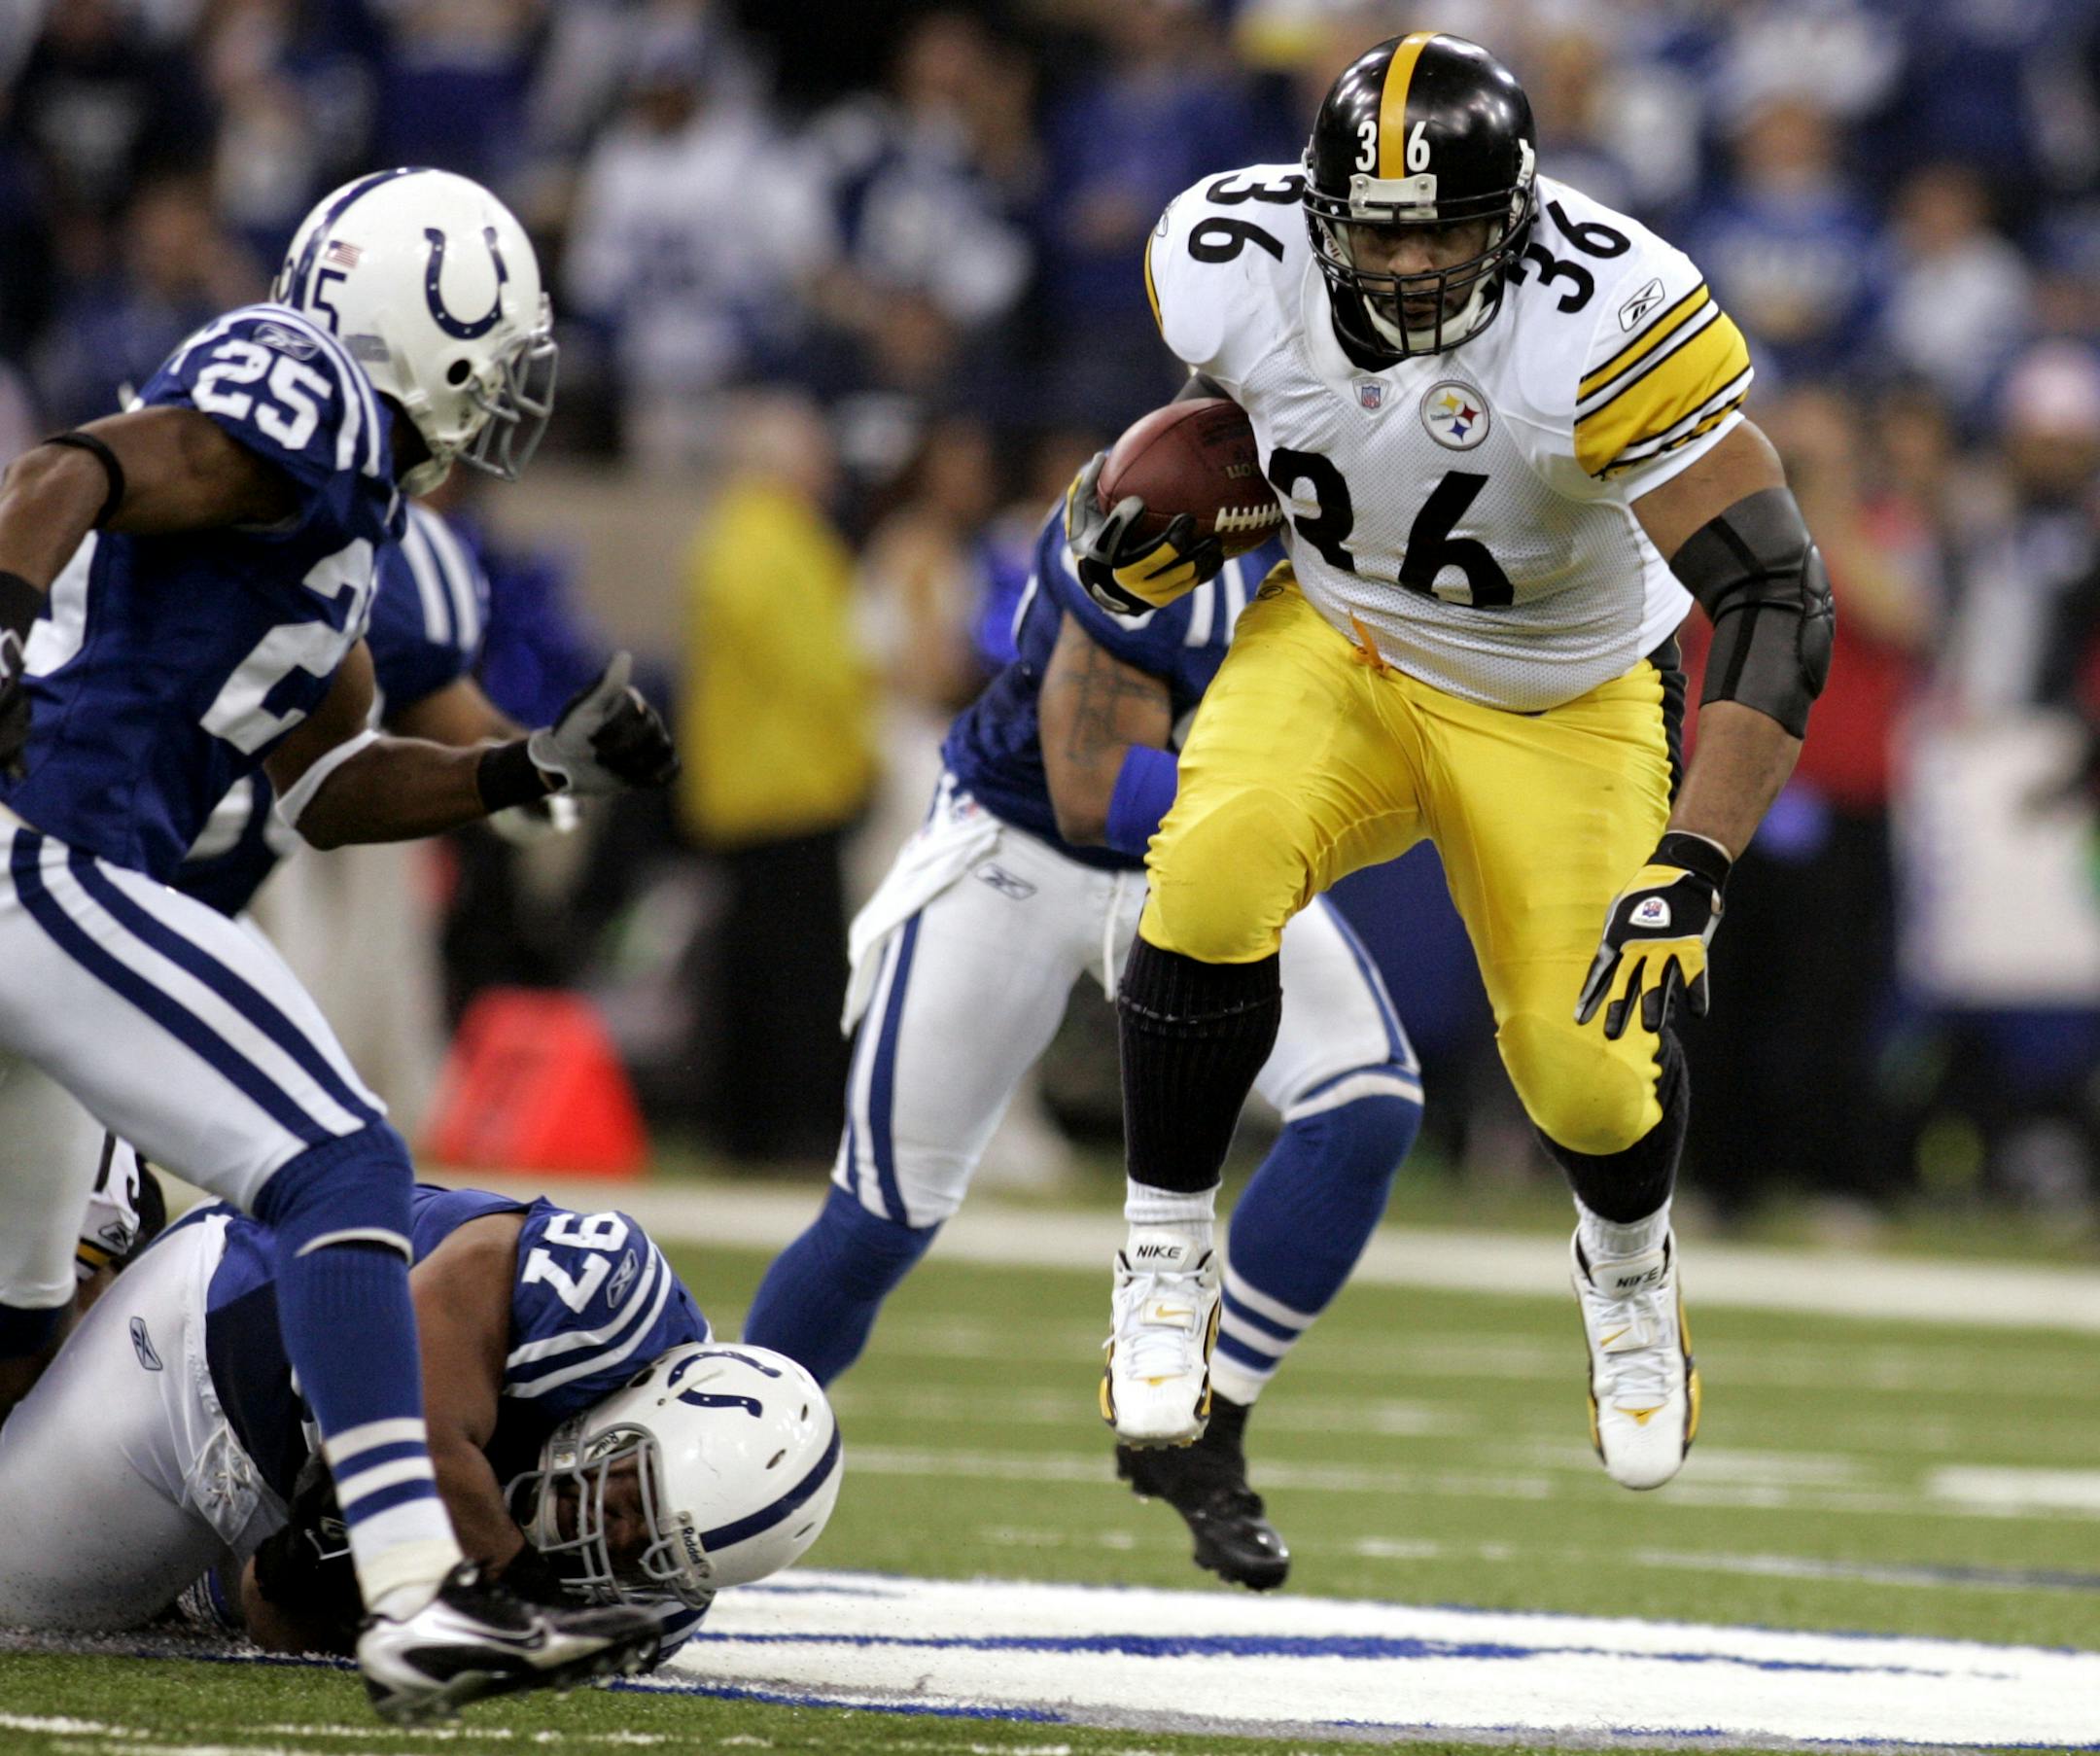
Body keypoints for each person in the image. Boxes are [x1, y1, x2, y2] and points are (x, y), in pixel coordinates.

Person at [1068, 34, 1830, 1491]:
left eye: (1452, 231)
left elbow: (1777, 593)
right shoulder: (1233, 259)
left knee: (1586, 1075)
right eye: (1379, 229)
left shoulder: (1600, 316)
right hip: (1340, 644)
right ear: (1317, 208)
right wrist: (1131, 510)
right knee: (1212, 865)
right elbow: (1220, 430)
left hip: (1565, 689)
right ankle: (1165, 1250)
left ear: (1523, 214)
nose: (1412, 266)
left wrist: (1698, 855)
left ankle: (1627, 1270)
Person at [0, 167, 681, 1720]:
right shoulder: (306, 392)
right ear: (423, 328)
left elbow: (326, 782)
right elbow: (70, 466)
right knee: (344, 1168)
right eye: (496, 349)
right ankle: (417, 1595)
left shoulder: (337, 519)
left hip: (45, 877)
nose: (508, 389)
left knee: (18, 1324)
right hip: (45, 853)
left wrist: (524, 769)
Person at [744, 507, 1423, 1592]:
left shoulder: (1409, 513)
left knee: (1366, 1104)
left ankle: (1206, 1418)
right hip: (1026, 853)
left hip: (1211, 848)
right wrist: (1320, 810)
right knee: (882, 1214)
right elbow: (1093, 787)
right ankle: (719, 1451)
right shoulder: (1176, 501)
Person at [0, 1185, 839, 1664]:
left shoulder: (646, 1614)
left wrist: (312, 1590)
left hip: (282, 1503)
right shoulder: (612, 1297)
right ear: (656, 1405)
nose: (611, 1536)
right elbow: (401, 1409)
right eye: (635, 1495)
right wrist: (512, 1588)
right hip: (202, 1354)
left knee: (178, 1612)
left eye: (648, 1554)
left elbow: (280, 1613)